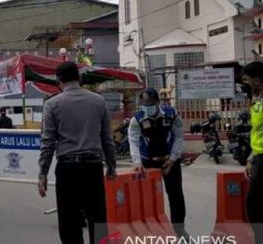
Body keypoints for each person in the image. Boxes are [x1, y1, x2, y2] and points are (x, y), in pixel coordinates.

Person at [38, 61, 116, 244]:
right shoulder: (98, 101)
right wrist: (111, 166)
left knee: (69, 222)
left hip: (67, 169)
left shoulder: (52, 104)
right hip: (93, 167)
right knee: (98, 220)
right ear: (79, 78)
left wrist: (42, 174)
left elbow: (48, 142)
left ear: (58, 81)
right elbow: (107, 138)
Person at [128, 88, 188, 238]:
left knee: (176, 196)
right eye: (144, 103)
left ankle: (179, 229)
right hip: (147, 162)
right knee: (147, 197)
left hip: (170, 160)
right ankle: (148, 231)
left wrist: (173, 159)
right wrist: (137, 162)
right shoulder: (138, 118)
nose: (147, 106)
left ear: (157, 102)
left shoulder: (171, 114)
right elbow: (133, 140)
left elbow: (179, 137)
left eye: (150, 103)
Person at [242, 61, 263, 243]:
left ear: (257, 81)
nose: (244, 85)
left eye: (247, 80)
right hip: (258, 157)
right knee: (254, 205)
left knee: (255, 205)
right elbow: (256, 133)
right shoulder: (258, 101)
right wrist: (251, 158)